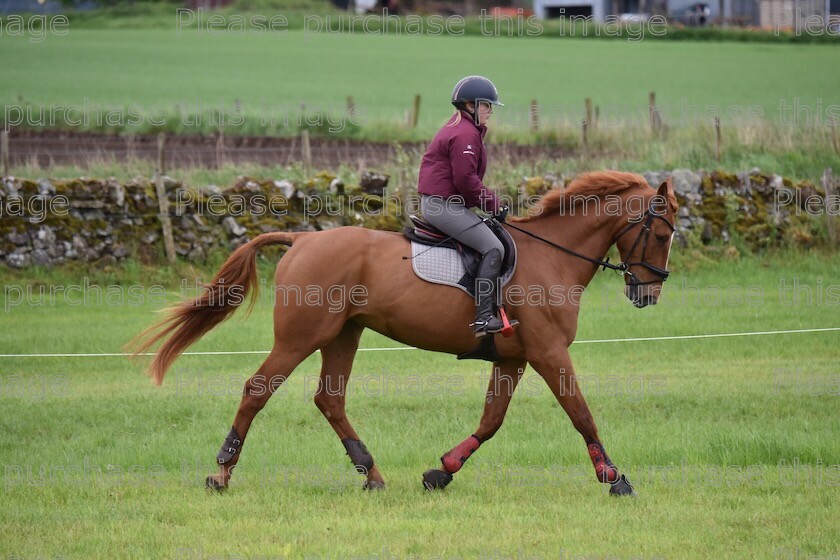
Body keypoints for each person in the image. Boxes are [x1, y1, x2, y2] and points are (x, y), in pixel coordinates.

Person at [416, 75, 510, 338]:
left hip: (447, 203)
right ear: (470, 105)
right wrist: (494, 205)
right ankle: (482, 319)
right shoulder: (465, 133)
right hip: (442, 206)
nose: (490, 111)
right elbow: (466, 180)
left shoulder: (462, 126)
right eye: (486, 106)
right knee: (494, 247)